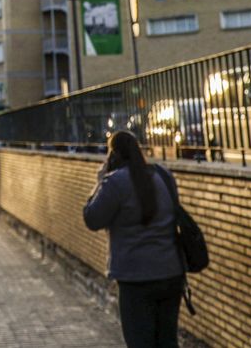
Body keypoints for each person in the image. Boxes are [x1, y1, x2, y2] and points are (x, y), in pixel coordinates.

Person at [82, 131, 185, 348]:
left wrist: (99, 182)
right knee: (167, 341)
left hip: (136, 279)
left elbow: (92, 219)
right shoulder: (164, 176)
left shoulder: (114, 183)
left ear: (114, 155)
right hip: (171, 273)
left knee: (140, 342)